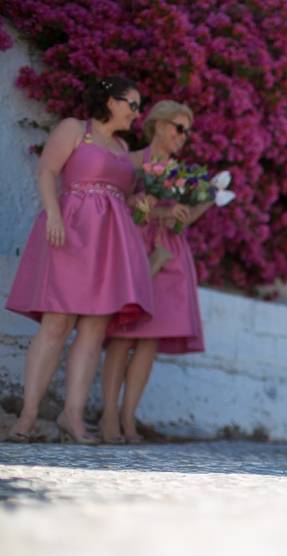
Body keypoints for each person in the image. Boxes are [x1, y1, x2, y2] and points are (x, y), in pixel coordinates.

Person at [4, 76, 154, 444]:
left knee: (93, 328)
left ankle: (72, 417)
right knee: (57, 322)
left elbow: (121, 195)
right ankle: (27, 417)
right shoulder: (76, 129)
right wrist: (53, 214)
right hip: (70, 232)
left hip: (110, 243)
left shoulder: (122, 147)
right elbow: (47, 171)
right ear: (110, 100)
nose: (137, 113)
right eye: (132, 104)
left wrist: (138, 204)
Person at [100, 100, 207, 444]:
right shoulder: (130, 162)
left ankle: (129, 419)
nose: (183, 136)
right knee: (122, 335)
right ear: (158, 125)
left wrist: (198, 205)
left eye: (187, 131)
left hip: (169, 255)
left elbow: (185, 218)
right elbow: (116, 207)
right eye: (179, 128)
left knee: (149, 340)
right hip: (133, 249)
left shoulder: (183, 173)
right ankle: (108, 418)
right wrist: (152, 211)